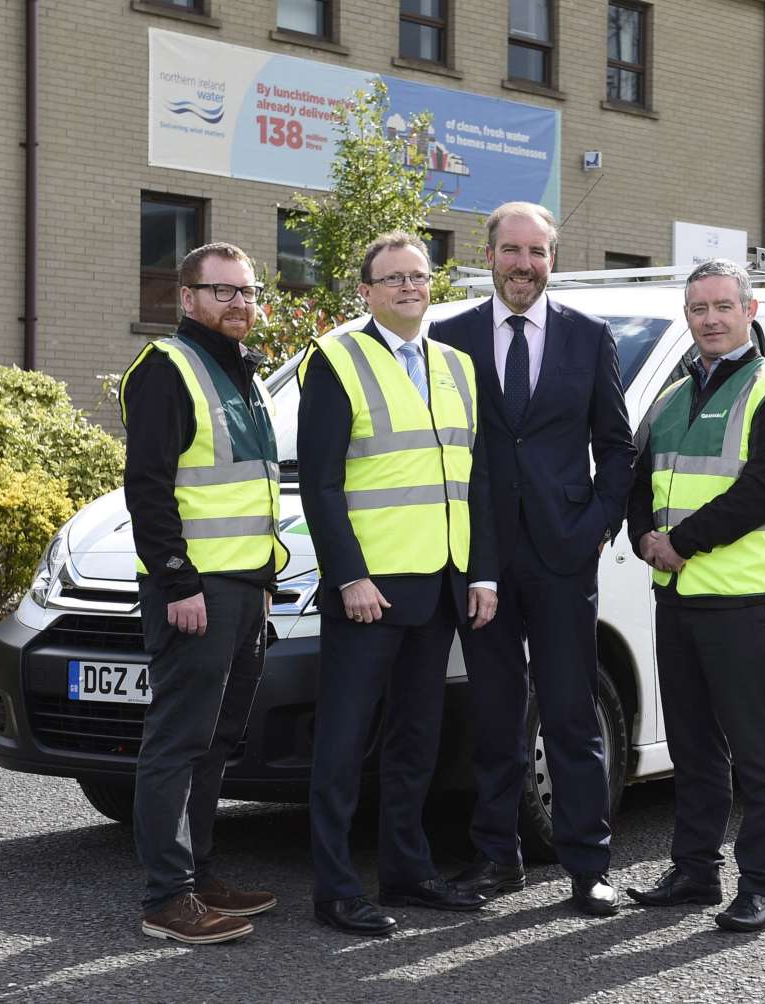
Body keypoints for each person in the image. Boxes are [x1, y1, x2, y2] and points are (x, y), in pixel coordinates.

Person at [430, 202, 634, 916]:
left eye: (538, 252)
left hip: (562, 559)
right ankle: (496, 859)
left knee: (572, 717)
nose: (524, 264)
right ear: (488, 256)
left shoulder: (590, 337)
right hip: (479, 561)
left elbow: (617, 447)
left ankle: (588, 868)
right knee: (492, 716)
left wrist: (596, 529)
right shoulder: (448, 337)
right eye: (512, 250)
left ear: (554, 259)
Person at [297, 232, 499, 937]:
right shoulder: (337, 359)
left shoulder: (455, 365)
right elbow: (319, 483)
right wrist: (348, 573)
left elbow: (472, 481)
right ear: (367, 291)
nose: (410, 287)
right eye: (394, 278)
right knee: (344, 743)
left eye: (419, 275)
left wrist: (481, 572)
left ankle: (408, 874)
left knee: (418, 740)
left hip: (440, 584)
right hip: (370, 591)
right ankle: (335, 889)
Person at [623, 258, 765, 933]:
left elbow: (763, 489)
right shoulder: (672, 397)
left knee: (759, 751)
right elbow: (640, 479)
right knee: (695, 746)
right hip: (678, 598)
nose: (709, 319)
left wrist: (682, 543)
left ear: (749, 311)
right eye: (698, 308)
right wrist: (644, 534)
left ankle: (762, 883)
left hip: (745, 600)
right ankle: (695, 870)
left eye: (722, 307)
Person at [120, 241, 290, 945]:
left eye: (247, 292)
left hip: (244, 587)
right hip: (196, 591)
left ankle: (200, 872)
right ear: (186, 298)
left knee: (218, 741)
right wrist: (177, 581)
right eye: (223, 292)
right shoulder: (167, 369)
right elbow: (148, 487)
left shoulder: (240, 371)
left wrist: (264, 580)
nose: (239, 304)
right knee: (179, 742)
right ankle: (167, 899)